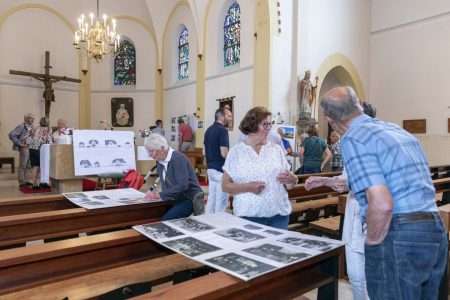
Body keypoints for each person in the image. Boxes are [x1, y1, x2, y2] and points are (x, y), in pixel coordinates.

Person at [320, 86, 447, 300]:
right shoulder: (397, 131)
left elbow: (381, 203)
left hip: (399, 233)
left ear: (330, 119)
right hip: (433, 228)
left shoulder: (354, 138)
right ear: (357, 105)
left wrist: (372, 242)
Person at [304, 102, 377, 300]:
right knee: (355, 275)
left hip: (373, 217)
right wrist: (329, 181)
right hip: (354, 213)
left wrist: (331, 181)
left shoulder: (378, 143)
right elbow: (348, 179)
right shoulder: (351, 144)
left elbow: (369, 180)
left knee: (372, 277)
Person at [222, 107, 298, 229]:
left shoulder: (276, 149)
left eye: (270, 124)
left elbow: (289, 184)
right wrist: (248, 187)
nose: (269, 129)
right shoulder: (236, 152)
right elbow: (225, 185)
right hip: (248, 216)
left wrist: (292, 179)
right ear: (252, 125)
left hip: (279, 216)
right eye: (265, 125)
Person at [144, 133, 203, 220]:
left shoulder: (178, 159)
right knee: (152, 215)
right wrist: (153, 192)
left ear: (162, 148)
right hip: (173, 198)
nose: (150, 155)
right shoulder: (160, 160)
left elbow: (183, 186)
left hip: (189, 198)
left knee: (166, 220)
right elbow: (163, 181)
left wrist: (160, 195)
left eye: (151, 151)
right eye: (148, 151)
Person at [204, 108, 232, 213]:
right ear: (221, 116)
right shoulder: (222, 130)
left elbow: (204, 151)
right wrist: (232, 163)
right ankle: (219, 223)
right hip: (220, 170)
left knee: (212, 199)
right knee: (221, 201)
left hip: (210, 168)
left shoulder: (208, 130)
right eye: (228, 116)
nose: (230, 118)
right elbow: (224, 152)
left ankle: (208, 220)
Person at [8, 113, 34, 187]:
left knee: (29, 165)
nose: (33, 120)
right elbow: (11, 134)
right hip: (24, 148)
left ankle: (27, 180)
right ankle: (21, 182)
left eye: (33, 118)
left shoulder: (32, 127)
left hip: (31, 147)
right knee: (23, 165)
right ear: (26, 119)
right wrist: (19, 143)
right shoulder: (21, 126)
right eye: (31, 118)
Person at [27, 117, 53, 189]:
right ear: (48, 123)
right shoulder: (48, 129)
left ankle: (34, 183)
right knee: (40, 166)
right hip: (39, 148)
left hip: (32, 148)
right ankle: (40, 182)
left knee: (35, 166)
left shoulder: (35, 128)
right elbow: (49, 140)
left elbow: (29, 138)